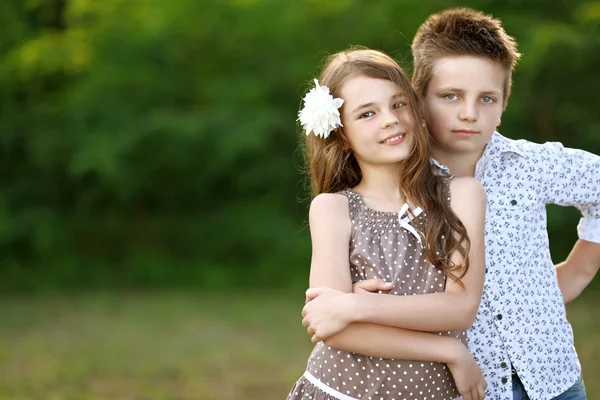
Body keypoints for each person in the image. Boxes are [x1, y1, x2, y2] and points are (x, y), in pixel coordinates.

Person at [408, 7, 600, 399]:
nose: (468, 113)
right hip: (461, 386)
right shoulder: (402, 183)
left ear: (503, 105)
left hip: (554, 379)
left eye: (487, 99)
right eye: (450, 96)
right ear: (418, 97)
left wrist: (581, 267)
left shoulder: (530, 165)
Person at [286, 47, 487, 400]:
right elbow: (332, 329)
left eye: (398, 104)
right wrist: (451, 352)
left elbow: (460, 308)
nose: (390, 119)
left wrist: (356, 306)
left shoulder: (462, 195)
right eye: (367, 113)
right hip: (341, 390)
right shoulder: (333, 209)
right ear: (343, 135)